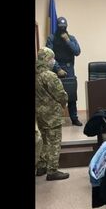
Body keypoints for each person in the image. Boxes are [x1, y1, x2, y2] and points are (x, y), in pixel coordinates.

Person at [35, 47, 70, 181]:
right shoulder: (49, 75)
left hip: (39, 113)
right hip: (51, 114)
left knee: (44, 140)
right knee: (54, 141)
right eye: (51, 58)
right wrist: (64, 102)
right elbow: (60, 94)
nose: (53, 61)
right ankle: (52, 171)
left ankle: (42, 166)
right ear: (47, 59)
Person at [46, 16, 83, 126]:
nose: (62, 28)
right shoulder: (51, 38)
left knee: (71, 95)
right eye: (60, 27)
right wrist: (58, 69)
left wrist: (67, 40)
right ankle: (55, 119)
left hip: (69, 68)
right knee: (55, 95)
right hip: (56, 68)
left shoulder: (71, 38)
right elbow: (49, 56)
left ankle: (74, 118)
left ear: (67, 26)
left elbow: (77, 51)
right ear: (57, 27)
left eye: (64, 27)